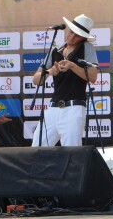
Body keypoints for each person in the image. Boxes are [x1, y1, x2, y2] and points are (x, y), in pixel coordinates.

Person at [31, 14, 99, 147]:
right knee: (37, 148)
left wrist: (72, 66)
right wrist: (51, 72)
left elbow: (93, 76)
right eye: (71, 32)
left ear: (83, 38)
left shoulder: (87, 48)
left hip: (74, 108)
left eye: (77, 35)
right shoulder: (55, 50)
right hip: (53, 108)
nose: (72, 37)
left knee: (72, 152)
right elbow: (35, 79)